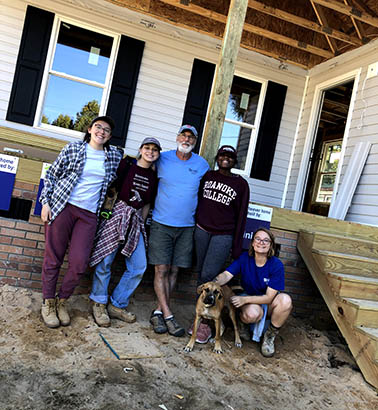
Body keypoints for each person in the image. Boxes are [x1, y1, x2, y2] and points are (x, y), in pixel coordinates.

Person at [40, 116, 122, 328]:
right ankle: (48, 302)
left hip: (88, 215)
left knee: (78, 263)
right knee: (53, 258)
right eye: (98, 127)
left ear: (110, 136)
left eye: (106, 130)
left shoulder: (113, 156)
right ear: (89, 129)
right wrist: (45, 203)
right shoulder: (74, 148)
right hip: (63, 207)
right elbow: (52, 175)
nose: (101, 132)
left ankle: (62, 301)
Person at [88, 137, 161, 327]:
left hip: (135, 220)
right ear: (140, 149)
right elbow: (110, 188)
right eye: (147, 148)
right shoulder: (127, 164)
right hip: (117, 213)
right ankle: (99, 302)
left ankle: (117, 304)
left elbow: (146, 204)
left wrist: (141, 225)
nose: (150, 152)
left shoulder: (154, 177)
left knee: (138, 266)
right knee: (105, 260)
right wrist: (105, 214)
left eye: (154, 150)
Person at [148, 125, 209, 337]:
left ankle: (158, 311)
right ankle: (168, 315)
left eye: (191, 136)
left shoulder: (202, 164)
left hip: (187, 226)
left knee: (174, 271)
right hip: (161, 223)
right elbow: (146, 176)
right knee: (161, 270)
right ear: (176, 137)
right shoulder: (162, 159)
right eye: (183, 135)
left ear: (195, 141)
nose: (186, 139)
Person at [189, 145, 250, 343]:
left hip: (223, 234)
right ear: (217, 158)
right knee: (201, 274)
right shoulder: (207, 176)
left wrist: (237, 245)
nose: (226, 159)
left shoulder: (241, 184)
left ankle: (205, 325)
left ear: (234, 161)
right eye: (222, 155)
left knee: (209, 275)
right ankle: (203, 316)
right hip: (202, 230)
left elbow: (242, 216)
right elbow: (197, 200)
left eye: (230, 157)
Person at [213, 228, 292, 357]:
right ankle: (242, 323)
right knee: (252, 313)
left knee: (286, 300)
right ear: (253, 243)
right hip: (249, 298)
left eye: (266, 240)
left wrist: (244, 300)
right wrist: (213, 282)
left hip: (267, 301)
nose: (262, 243)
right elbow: (227, 275)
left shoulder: (276, 265)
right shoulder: (245, 258)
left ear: (271, 245)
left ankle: (269, 336)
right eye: (258, 239)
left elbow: (269, 298)